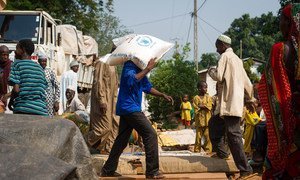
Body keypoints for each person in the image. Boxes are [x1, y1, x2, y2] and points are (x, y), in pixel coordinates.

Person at [101, 58, 173, 179]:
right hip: (129, 108)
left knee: (121, 140)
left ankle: (108, 169)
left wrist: (162, 95)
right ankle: (152, 171)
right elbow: (131, 80)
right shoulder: (129, 67)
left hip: (128, 109)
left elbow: (147, 87)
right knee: (150, 134)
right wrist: (148, 69)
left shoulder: (139, 69)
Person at [258, 3, 300, 178]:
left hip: (292, 117)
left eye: (282, 19)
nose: (279, 24)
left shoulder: (280, 50)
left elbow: (272, 90)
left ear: (290, 22)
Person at [208, 34, 253, 178]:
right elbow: (248, 83)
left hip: (229, 103)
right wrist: (250, 98)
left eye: (217, 47)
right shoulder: (238, 60)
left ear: (222, 45)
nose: (217, 50)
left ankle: (245, 169)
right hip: (233, 103)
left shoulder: (225, 57)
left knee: (234, 136)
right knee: (214, 124)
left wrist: (210, 71)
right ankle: (222, 154)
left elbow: (219, 76)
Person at [87, 54, 120, 154]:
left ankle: (106, 149)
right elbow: (98, 82)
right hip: (102, 103)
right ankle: (80, 143)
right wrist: (102, 100)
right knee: (104, 128)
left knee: (114, 127)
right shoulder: (103, 61)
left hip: (112, 104)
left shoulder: (113, 64)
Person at [8, 39, 48, 116]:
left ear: (22, 50)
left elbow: (16, 90)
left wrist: (11, 100)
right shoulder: (40, 68)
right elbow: (43, 90)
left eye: (17, 48)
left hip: (23, 108)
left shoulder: (17, 65)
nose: (15, 51)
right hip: (41, 110)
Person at [209, 82, 230, 159]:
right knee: (223, 134)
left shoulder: (225, 96)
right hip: (222, 114)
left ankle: (223, 153)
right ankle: (222, 153)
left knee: (217, 134)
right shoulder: (215, 97)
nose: (218, 89)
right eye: (218, 87)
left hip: (222, 114)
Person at [38, 52, 60, 117]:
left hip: (49, 100)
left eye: (45, 61)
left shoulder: (50, 71)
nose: (44, 63)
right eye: (42, 61)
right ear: (39, 61)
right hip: (39, 99)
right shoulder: (37, 70)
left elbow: (57, 86)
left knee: (49, 118)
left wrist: (57, 101)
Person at [193, 81, 213, 153]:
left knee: (208, 137)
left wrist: (202, 106)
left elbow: (209, 106)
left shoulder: (208, 97)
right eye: (204, 87)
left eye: (206, 87)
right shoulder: (196, 98)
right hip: (199, 122)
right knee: (198, 137)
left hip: (207, 121)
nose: (205, 89)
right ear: (199, 88)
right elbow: (196, 107)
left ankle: (208, 150)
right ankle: (197, 150)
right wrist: (201, 107)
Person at [0, 45, 12, 109]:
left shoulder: (12, 66)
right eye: (3, 55)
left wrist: (6, 96)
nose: (5, 57)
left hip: (9, 97)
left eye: (7, 55)